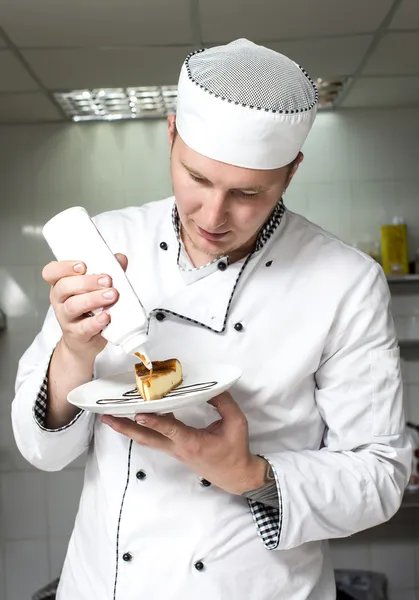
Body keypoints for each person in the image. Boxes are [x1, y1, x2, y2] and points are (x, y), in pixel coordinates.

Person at [12, 39, 410, 600]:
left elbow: (380, 476)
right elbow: (41, 451)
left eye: (248, 193)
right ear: (171, 135)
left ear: (291, 172)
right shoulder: (107, 242)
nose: (214, 216)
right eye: (197, 179)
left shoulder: (344, 281)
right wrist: (76, 352)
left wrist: (250, 474)